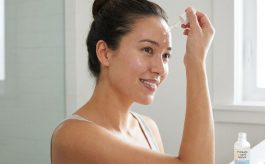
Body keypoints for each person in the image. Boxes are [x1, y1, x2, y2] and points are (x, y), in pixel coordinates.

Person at [51, 0, 215, 163]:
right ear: (105, 53)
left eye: (166, 55)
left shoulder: (148, 128)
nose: (160, 68)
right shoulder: (73, 135)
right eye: (147, 50)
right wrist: (195, 62)